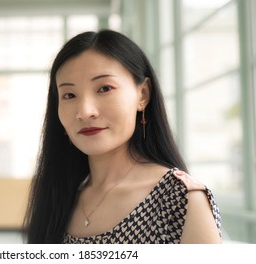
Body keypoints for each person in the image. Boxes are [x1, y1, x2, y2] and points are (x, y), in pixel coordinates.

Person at [23, 29, 222, 244]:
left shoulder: (181, 200)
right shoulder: (58, 198)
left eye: (104, 88)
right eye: (69, 95)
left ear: (143, 94)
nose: (85, 111)